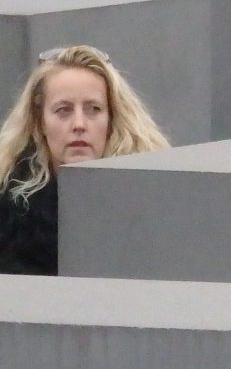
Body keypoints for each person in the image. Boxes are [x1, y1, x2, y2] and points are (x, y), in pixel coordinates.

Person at [0, 45, 170, 274]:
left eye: (93, 109)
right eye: (63, 110)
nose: (79, 124)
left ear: (112, 119)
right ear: (39, 122)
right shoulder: (8, 206)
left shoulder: (151, 203)